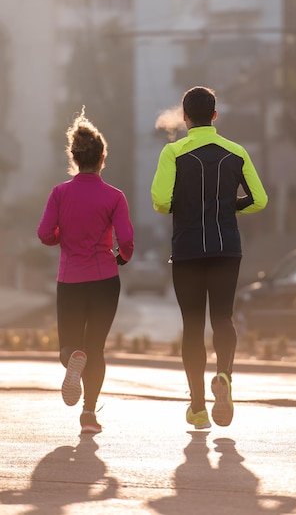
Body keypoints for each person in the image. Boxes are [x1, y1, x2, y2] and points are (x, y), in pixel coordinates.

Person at [151, 86, 268, 429]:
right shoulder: (236, 152)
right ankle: (225, 376)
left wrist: (186, 207)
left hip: (187, 250)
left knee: (192, 326)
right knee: (223, 319)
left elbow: (160, 201)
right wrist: (228, 208)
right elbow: (259, 200)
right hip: (226, 248)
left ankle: (198, 408)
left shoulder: (174, 152)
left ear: (185, 118)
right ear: (214, 116)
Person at [37, 107, 134, 434]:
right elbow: (128, 240)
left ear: (74, 157)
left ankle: (70, 360)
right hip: (105, 280)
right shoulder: (115, 197)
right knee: (97, 348)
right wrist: (121, 257)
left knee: (71, 346)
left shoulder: (60, 194)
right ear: (102, 156)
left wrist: (63, 237)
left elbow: (44, 234)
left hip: (71, 280)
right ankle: (89, 414)